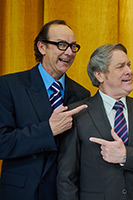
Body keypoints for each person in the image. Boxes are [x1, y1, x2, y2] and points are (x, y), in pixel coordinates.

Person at [57, 43, 133, 200]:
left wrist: (126, 156)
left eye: (129, 65)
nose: (129, 71)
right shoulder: (78, 113)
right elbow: (66, 178)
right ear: (100, 75)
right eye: (120, 66)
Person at [0, 20, 90, 200]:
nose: (69, 52)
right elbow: (2, 143)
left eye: (73, 46)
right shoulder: (9, 86)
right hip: (22, 193)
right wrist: (48, 130)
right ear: (42, 47)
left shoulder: (82, 94)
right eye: (61, 45)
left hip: (63, 194)